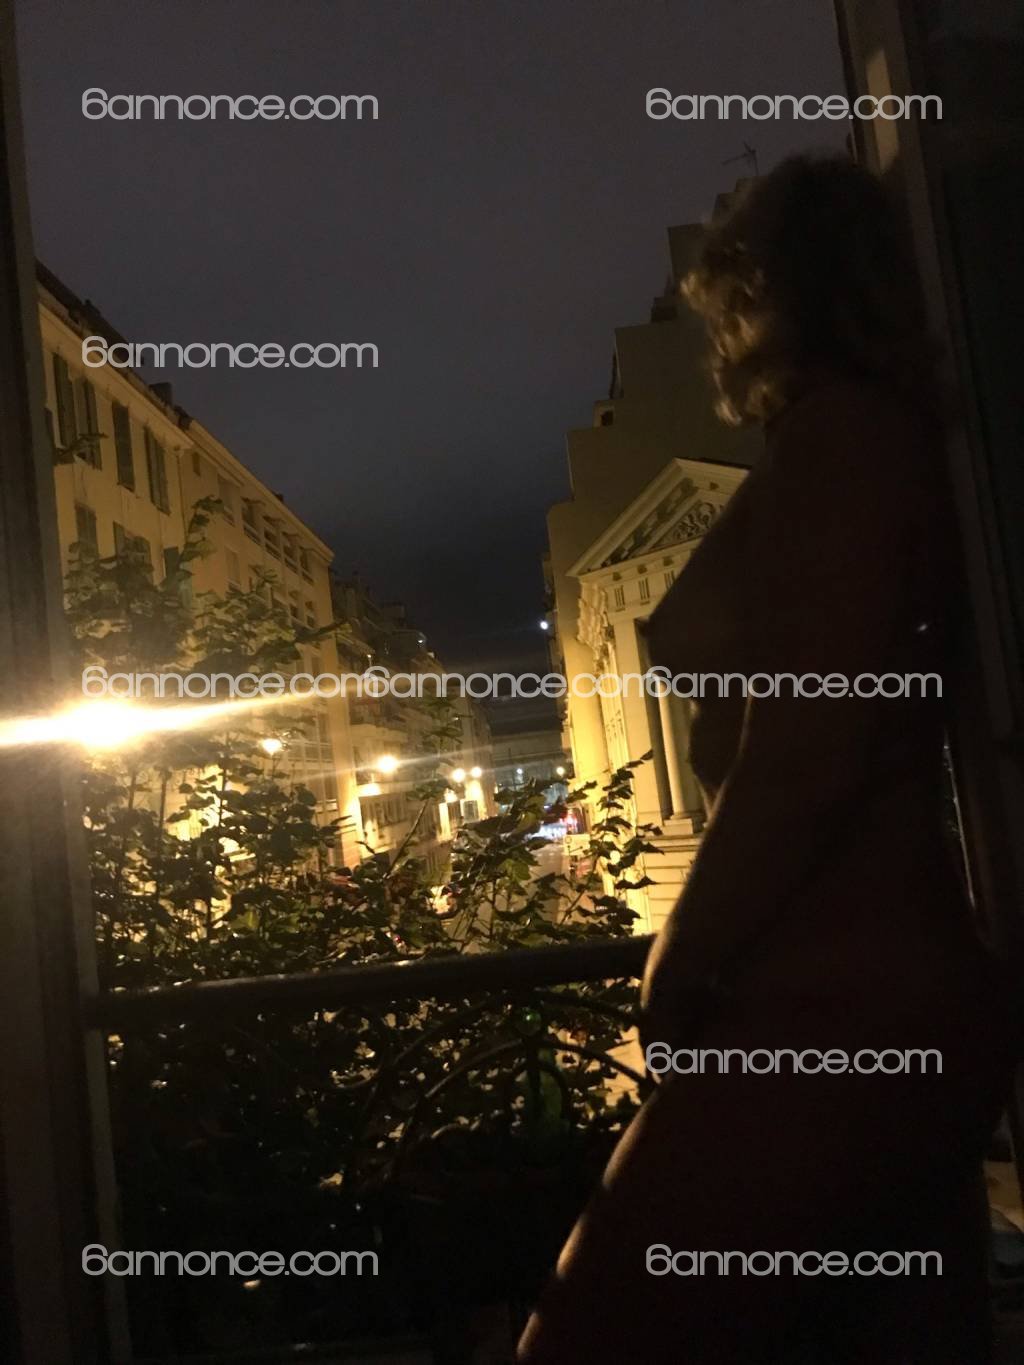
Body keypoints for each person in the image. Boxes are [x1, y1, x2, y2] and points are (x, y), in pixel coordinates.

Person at [517, 154, 1012, 1363]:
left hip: (830, 994)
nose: (718, 334)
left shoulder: (845, 441)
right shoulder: (856, 439)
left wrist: (683, 953)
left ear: (771, 293)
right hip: (864, 985)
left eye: (728, 299)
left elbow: (808, 745)